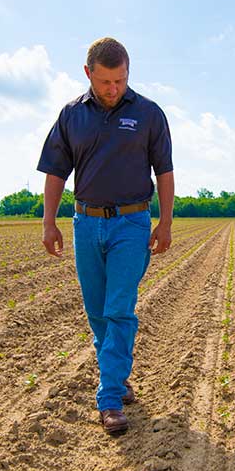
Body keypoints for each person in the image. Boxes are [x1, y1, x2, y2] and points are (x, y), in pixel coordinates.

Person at [37, 37, 174, 436]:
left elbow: (164, 171)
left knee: (119, 310)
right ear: (88, 74)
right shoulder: (71, 115)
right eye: (105, 82)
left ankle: (109, 397)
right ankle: (118, 375)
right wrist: (49, 222)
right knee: (97, 312)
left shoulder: (149, 114)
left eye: (120, 80)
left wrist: (165, 222)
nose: (113, 89)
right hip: (86, 223)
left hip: (131, 224)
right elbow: (56, 172)